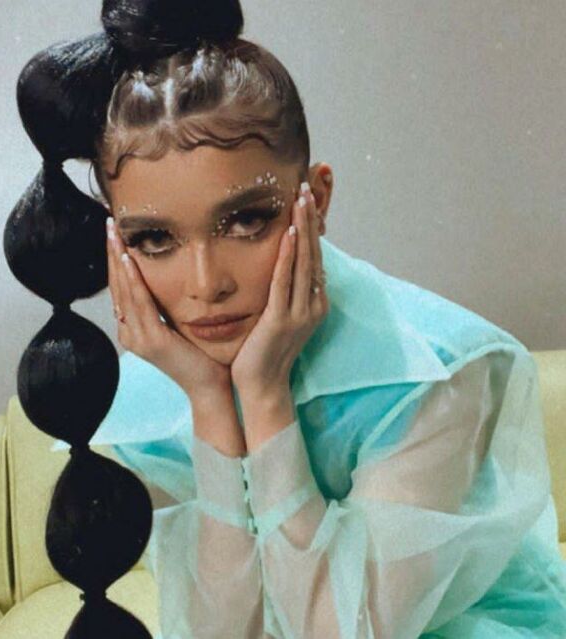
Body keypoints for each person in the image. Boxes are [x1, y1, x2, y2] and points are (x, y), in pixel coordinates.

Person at [50, 0, 566, 636]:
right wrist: (210, 402)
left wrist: (264, 394)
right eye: (155, 238)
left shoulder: (438, 373)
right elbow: (224, 632)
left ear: (315, 201)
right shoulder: (151, 401)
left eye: (246, 220)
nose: (206, 285)